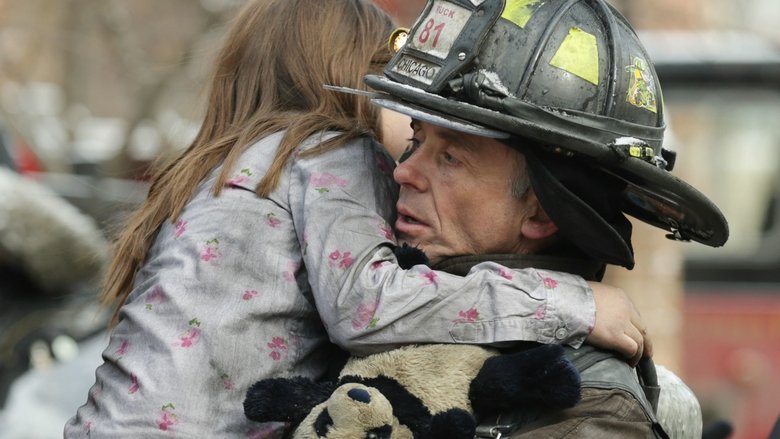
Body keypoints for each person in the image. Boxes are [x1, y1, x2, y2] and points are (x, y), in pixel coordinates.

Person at [63, 0, 649, 437]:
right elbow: (369, 306)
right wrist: (569, 302)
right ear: (349, 77)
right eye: (412, 128)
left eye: (450, 154)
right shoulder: (329, 152)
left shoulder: (213, 173)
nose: (401, 168)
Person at [357, 0, 729, 437]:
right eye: (415, 140)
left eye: (452, 157)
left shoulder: (587, 410)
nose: (404, 171)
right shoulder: (368, 309)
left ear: (541, 212)